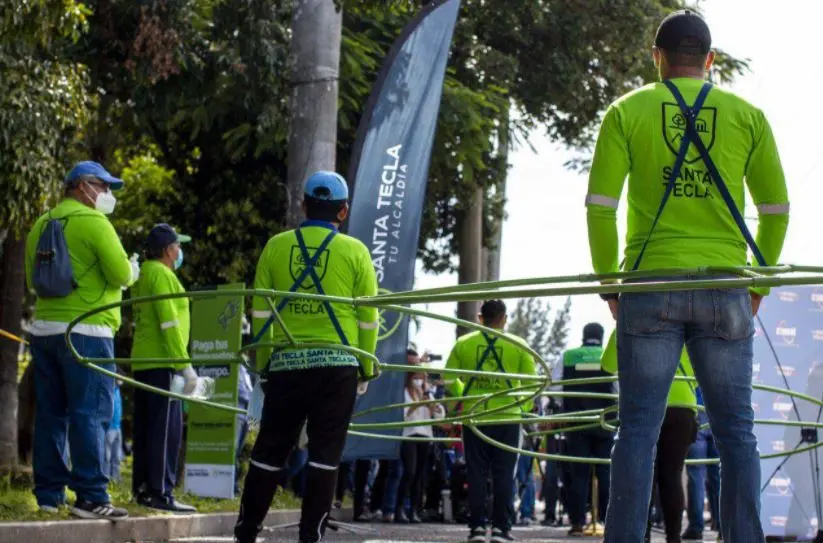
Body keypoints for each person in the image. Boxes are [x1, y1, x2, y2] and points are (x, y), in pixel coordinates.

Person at [585, 9, 789, 542]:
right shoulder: (748, 116)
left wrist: (609, 283)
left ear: (657, 57)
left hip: (650, 284)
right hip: (726, 285)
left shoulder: (627, 111)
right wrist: (759, 284)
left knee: (637, 431)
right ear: (710, 59)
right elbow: (776, 211)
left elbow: (600, 208)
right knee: (736, 432)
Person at [234, 171, 379, 543]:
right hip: (339, 369)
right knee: (325, 456)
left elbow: (261, 313)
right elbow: (368, 318)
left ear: (303, 206)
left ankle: (246, 533)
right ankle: (310, 537)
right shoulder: (356, 252)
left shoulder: (276, 246)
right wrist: (366, 367)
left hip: (287, 365)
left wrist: (265, 365)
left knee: (268, 452)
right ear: (343, 211)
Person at [25, 161, 137, 520]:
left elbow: (31, 279)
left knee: (51, 414)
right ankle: (90, 496)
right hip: (88, 333)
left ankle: (49, 495)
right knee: (90, 413)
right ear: (83, 186)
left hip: (44, 331)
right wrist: (132, 271)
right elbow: (121, 273)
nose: (107, 194)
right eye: (103, 186)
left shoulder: (41, 224)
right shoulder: (96, 223)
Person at [445, 299, 537, 543]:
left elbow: (448, 378)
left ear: (480, 318)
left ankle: (476, 529)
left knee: (476, 474)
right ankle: (500, 529)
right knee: (504, 475)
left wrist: (463, 398)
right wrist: (523, 407)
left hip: (475, 418)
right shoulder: (519, 345)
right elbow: (533, 384)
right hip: (508, 418)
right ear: (504, 318)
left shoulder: (463, 343)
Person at [131, 223, 197, 513]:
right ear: (169, 250)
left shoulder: (145, 273)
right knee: (165, 430)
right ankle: (161, 493)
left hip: (146, 360)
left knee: (147, 428)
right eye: (178, 246)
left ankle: (144, 489)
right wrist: (184, 366)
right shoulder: (161, 274)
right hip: (163, 362)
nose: (180, 251)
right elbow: (168, 323)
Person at [560, 323, 614, 535]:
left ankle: (577, 522)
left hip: (577, 423)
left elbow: (554, 386)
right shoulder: (609, 356)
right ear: (601, 336)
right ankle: (606, 521)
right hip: (604, 423)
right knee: (605, 472)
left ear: (584, 336)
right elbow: (619, 389)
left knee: (578, 474)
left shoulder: (568, 356)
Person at [396, 369, 445, 523]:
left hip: (425, 435)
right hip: (409, 434)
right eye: (415, 377)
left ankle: (414, 509)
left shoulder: (427, 394)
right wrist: (417, 405)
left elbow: (439, 416)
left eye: (421, 378)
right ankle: (399, 508)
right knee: (409, 471)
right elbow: (403, 415)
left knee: (419, 475)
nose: (418, 381)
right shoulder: (404, 393)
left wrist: (435, 408)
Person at [683, 387, 721, 540]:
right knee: (718, 474)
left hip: (697, 411)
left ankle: (696, 527)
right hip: (718, 410)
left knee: (695, 475)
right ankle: (722, 525)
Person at [104, 378, 123, 483]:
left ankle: (115, 478)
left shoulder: (117, 390)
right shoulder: (109, 389)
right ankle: (105, 477)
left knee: (117, 456)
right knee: (107, 456)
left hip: (117, 427)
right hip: (109, 427)